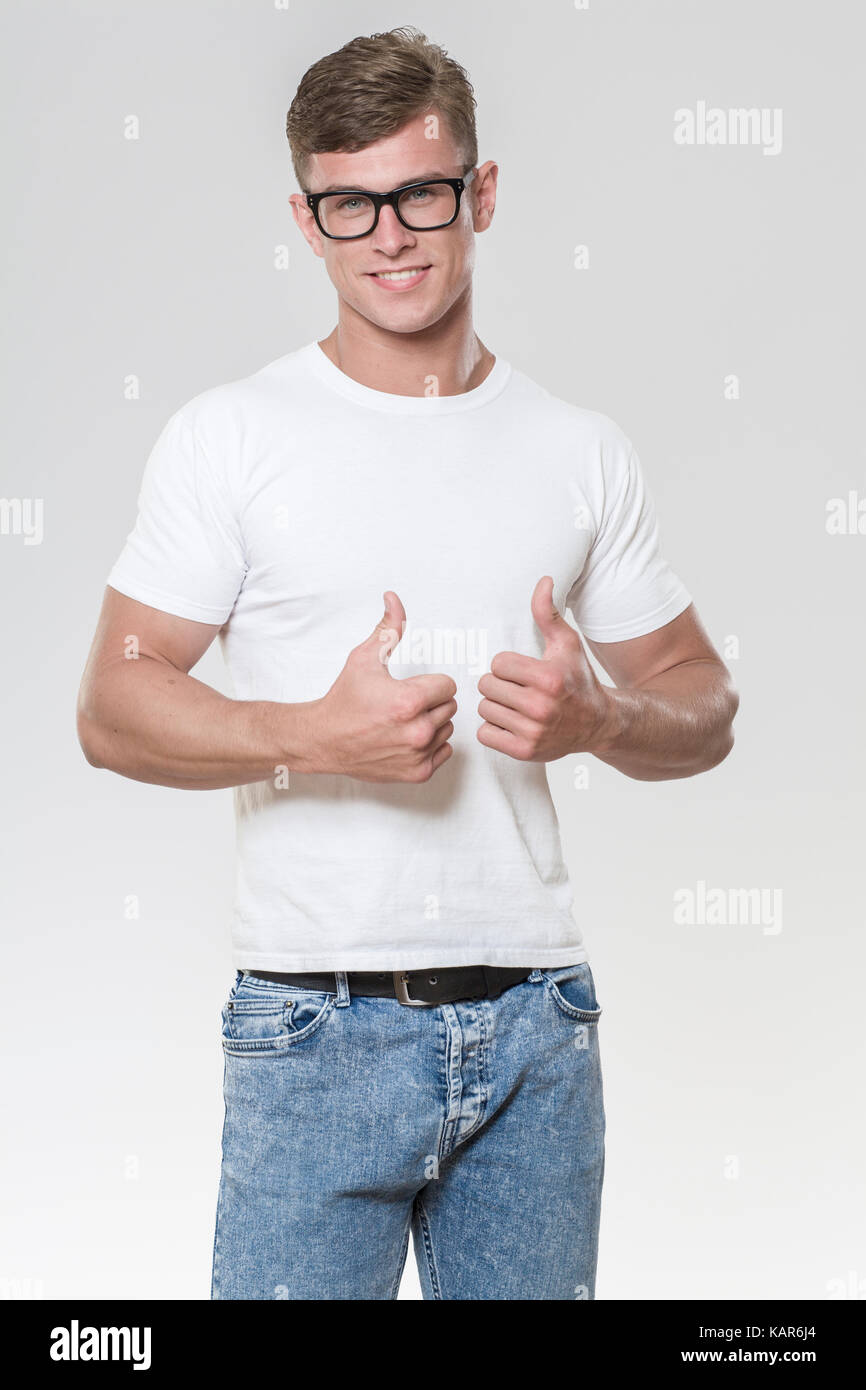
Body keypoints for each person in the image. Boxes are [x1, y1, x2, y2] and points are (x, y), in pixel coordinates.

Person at [76, 26, 738, 1300]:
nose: (388, 234)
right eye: (348, 203)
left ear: (479, 193)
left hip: (539, 1027)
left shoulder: (576, 446)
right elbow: (115, 705)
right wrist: (318, 733)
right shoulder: (233, 436)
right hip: (314, 1027)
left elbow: (705, 703)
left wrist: (599, 716)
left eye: (419, 194)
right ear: (305, 217)